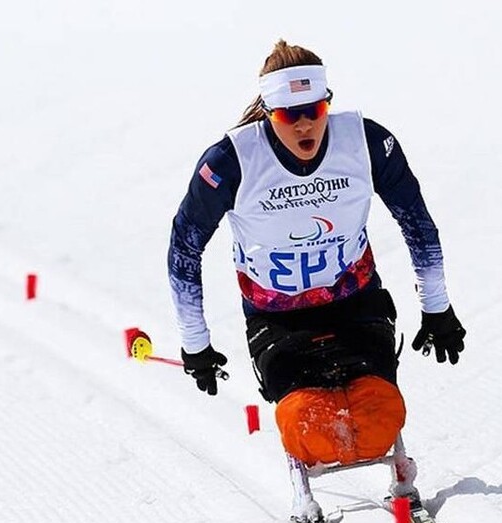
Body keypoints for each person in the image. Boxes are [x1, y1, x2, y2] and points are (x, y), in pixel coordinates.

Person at [167, 39, 466, 417]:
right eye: (290, 116)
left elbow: (417, 221)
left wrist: (437, 308)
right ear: (269, 113)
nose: (306, 124)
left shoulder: (366, 143)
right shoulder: (231, 162)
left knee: (378, 415)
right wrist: (195, 342)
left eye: (315, 109)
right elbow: (184, 247)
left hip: (355, 301)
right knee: (309, 420)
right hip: (277, 317)